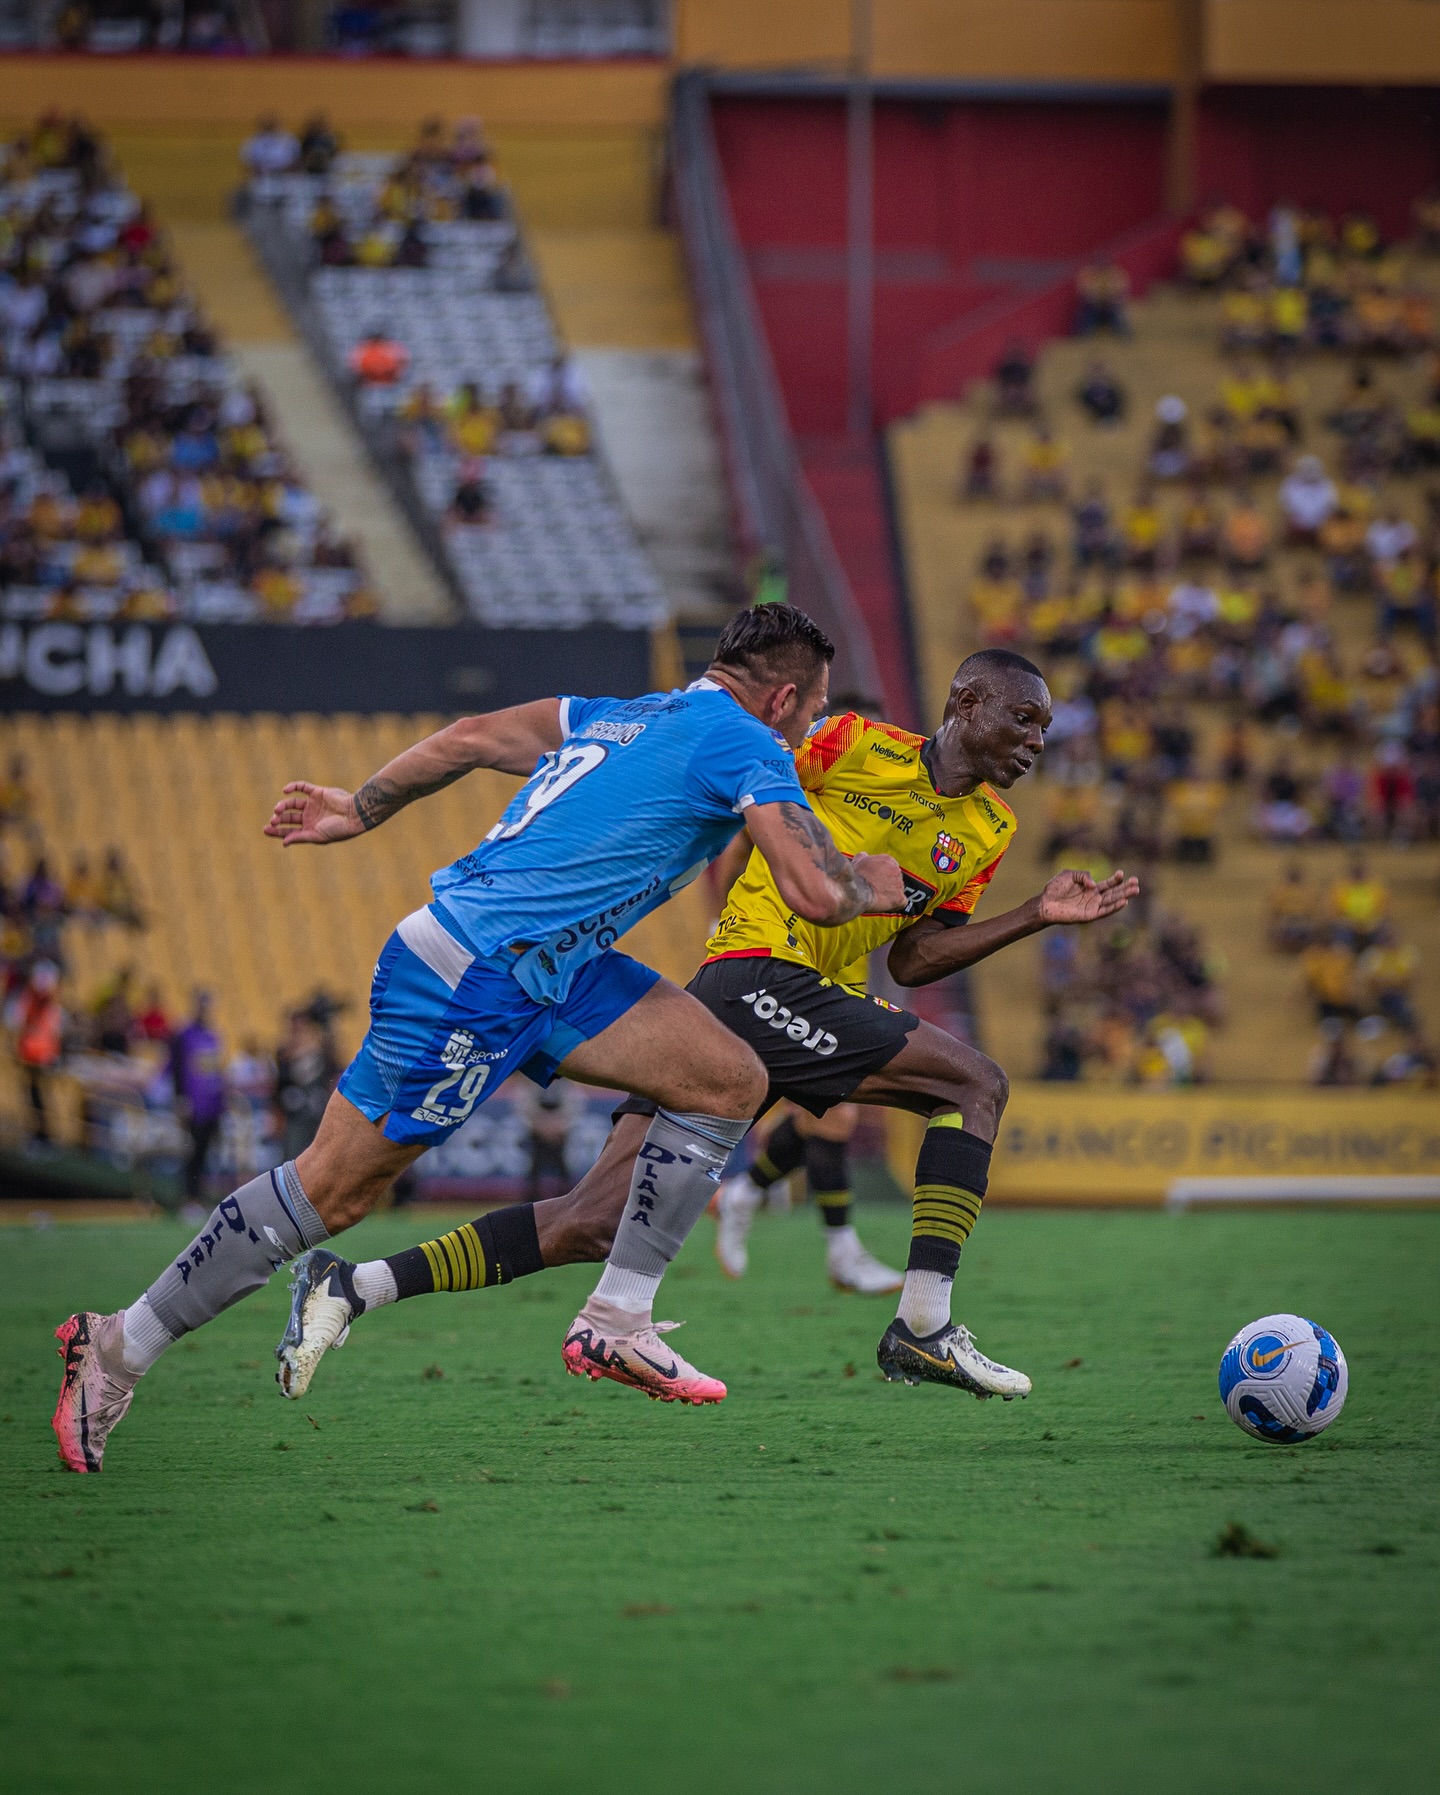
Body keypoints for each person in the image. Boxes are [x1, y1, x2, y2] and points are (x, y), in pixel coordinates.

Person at [50, 605, 905, 1471]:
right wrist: (870, 886)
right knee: (333, 1191)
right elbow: (812, 891)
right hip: (474, 972)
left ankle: (618, 1321)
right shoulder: (749, 743)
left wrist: (362, 805)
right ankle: (117, 1347)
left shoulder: (616, 713)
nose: (815, 727)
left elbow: (470, 736)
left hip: (555, 963)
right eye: (815, 709)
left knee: (727, 1077)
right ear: (784, 697)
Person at [283, 651, 1139, 1407]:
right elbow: (731, 779)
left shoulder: (990, 828)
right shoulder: (849, 742)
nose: (1035, 741)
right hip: (756, 971)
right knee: (975, 1083)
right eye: (1022, 718)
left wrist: (1035, 913)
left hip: (798, 1003)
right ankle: (924, 1322)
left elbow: (914, 959)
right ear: (966, 701)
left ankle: (355, 1284)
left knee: (590, 1221)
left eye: (1045, 728)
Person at [170, 992, 227, 1214]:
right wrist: (180, 1098)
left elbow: (215, 1071)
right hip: (194, 1105)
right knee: (191, 1153)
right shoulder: (185, 1035)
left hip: (212, 1105)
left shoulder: (213, 1036)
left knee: (206, 1153)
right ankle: (189, 1198)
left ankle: (200, 1197)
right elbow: (176, 1068)